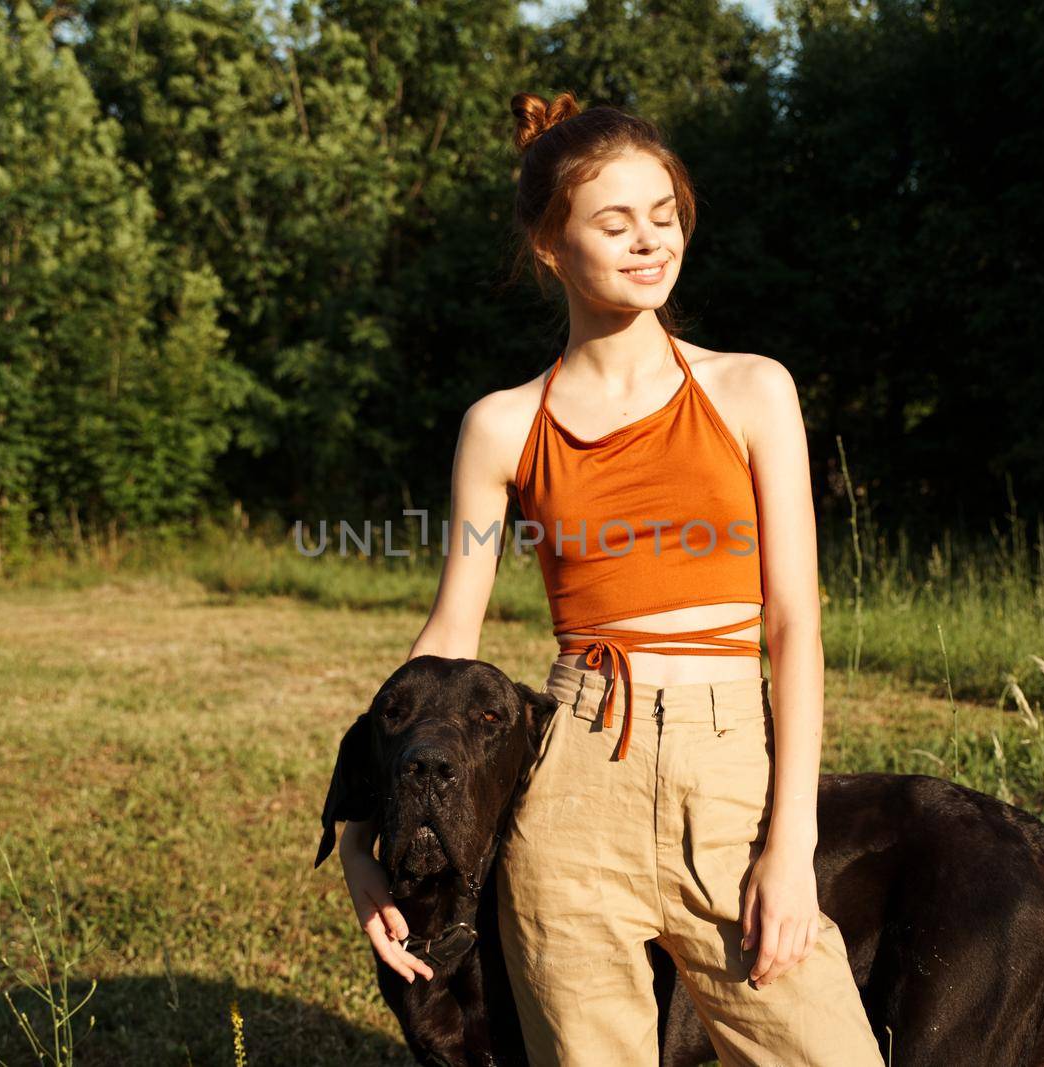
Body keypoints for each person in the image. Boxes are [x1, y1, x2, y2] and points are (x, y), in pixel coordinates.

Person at [337, 89, 885, 1066]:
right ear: (550, 244)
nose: (648, 240)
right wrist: (355, 831)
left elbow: (795, 624)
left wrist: (788, 841)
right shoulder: (502, 425)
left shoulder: (751, 389)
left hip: (727, 777)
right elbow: (446, 640)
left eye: (664, 215)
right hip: (570, 786)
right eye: (614, 220)